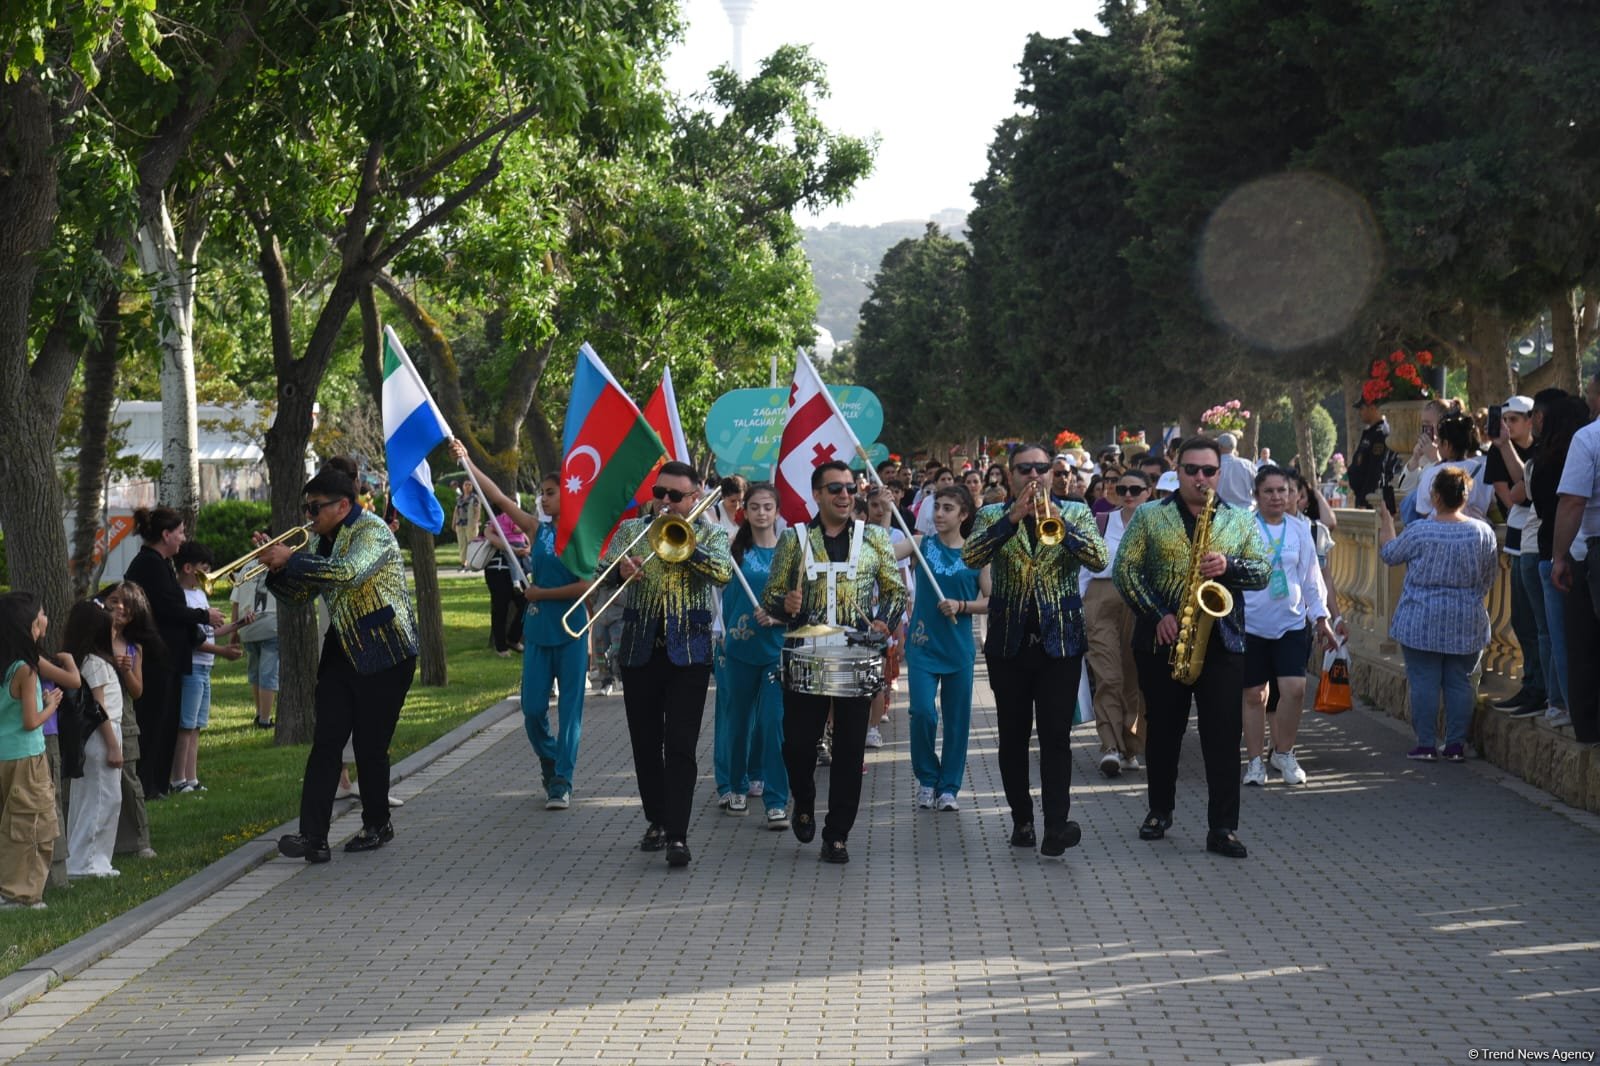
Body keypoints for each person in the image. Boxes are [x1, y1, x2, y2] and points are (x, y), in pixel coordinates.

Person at [1113, 436, 1270, 859]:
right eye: (1191, 470)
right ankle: (1158, 811)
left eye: (1209, 471)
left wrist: (1229, 566)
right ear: (1175, 471)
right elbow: (1126, 570)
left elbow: (1263, 571)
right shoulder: (1148, 515)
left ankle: (1223, 827)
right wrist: (1157, 614)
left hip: (1222, 639)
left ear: (1220, 474)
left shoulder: (1238, 520)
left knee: (1222, 736)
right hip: (1162, 638)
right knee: (1163, 732)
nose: (1201, 478)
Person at [264, 468, 419, 863]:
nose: (309, 515)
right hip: (342, 647)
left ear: (343, 505)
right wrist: (278, 570)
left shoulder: (373, 531)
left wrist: (293, 559)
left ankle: (377, 823)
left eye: (315, 507)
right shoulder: (320, 539)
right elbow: (299, 597)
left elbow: (347, 573)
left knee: (370, 746)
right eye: (307, 507)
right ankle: (312, 836)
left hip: (386, 649)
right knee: (326, 743)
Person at [963, 444, 1108, 857]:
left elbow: (1099, 560)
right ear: (1009, 475)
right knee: (1012, 737)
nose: (1033, 475)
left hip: (1059, 643)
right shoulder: (993, 515)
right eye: (1024, 468)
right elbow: (970, 555)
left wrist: (1061, 523)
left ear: (1053, 472)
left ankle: (1056, 825)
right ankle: (1022, 818)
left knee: (1056, 737)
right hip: (1008, 643)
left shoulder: (1076, 511)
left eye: (1041, 468)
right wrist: (1011, 519)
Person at [762, 461, 905, 865]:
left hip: (857, 654)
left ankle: (837, 833)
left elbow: (894, 592)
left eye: (849, 488)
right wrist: (784, 604)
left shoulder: (874, 538)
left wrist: (884, 621)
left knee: (849, 749)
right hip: (806, 655)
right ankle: (804, 800)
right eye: (835, 488)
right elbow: (771, 596)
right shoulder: (795, 540)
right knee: (799, 745)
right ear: (818, 495)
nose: (845, 495)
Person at [603, 461, 732, 869]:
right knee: (645, 744)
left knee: (680, 746)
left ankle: (677, 833)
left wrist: (688, 544)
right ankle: (656, 819)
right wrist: (618, 570)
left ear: (694, 498)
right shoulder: (631, 530)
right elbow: (600, 572)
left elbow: (723, 574)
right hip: (639, 649)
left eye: (675, 496)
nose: (665, 501)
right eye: (660, 492)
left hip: (689, 653)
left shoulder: (709, 532)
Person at [451, 444, 592, 810]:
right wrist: (467, 462)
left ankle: (562, 780)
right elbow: (495, 495)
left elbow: (586, 586)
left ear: (569, 494)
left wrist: (541, 593)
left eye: (550, 493)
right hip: (539, 630)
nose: (542, 500)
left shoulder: (582, 536)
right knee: (532, 709)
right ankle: (550, 759)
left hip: (572, 629)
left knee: (570, 711)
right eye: (541, 494)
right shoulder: (536, 529)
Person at [1378, 467, 1499, 760]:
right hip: (1466, 618)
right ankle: (1456, 744)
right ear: (1464, 496)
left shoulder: (1420, 531)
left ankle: (1426, 744)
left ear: (1435, 496)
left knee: (1424, 682)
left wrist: (1386, 520)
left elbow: (1389, 554)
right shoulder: (1483, 532)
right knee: (1460, 681)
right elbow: (1488, 576)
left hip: (1421, 619)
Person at [1240, 467, 1337, 787]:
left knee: (1294, 689)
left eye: (1282, 490)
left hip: (1292, 622)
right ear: (1257, 495)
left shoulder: (1299, 531)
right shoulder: (1243, 529)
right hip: (1251, 624)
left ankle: (1284, 751)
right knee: (1254, 694)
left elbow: (1312, 580)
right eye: (1268, 491)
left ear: (1293, 494)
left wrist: (1322, 619)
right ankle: (1254, 761)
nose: (1276, 497)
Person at [122, 506, 226, 801]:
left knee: (166, 721)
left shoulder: (160, 563)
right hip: (156, 657)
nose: (183, 538)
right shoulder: (149, 564)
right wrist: (202, 616)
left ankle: (158, 783)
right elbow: (165, 608)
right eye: (179, 532)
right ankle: (148, 783)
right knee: (155, 721)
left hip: (168, 656)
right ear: (165, 534)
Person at [898, 484, 988, 811]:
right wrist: (879, 514)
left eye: (948, 508)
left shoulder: (978, 554)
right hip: (922, 646)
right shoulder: (922, 545)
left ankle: (949, 786)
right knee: (922, 712)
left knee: (956, 720)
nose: (939, 514)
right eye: (937, 507)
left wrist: (962, 605)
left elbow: (991, 601)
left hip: (959, 650)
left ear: (964, 514)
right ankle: (926, 778)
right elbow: (884, 554)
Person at [713, 483, 790, 828]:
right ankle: (736, 786)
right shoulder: (733, 551)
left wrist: (777, 617)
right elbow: (717, 591)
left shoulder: (791, 554)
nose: (761, 513)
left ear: (777, 512)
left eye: (768, 507)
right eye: (755, 507)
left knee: (773, 724)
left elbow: (801, 604)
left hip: (777, 650)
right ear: (745, 510)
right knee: (738, 723)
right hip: (739, 649)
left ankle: (776, 801)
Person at [1081, 470, 1152, 777]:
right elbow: (1084, 569)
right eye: (1121, 488)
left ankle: (1131, 746)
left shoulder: (1156, 526)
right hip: (1101, 596)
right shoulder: (1101, 522)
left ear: (1148, 492)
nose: (1127, 494)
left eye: (1135, 489)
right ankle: (1110, 746)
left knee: (1134, 676)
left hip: (1139, 600)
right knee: (1107, 674)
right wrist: (1079, 606)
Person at [0, 593, 65, 908]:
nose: (45, 618)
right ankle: (19, 893)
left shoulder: (6, 665)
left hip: (4, 755)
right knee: (31, 822)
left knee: (8, 821)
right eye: (41, 613)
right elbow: (30, 721)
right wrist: (50, 705)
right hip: (26, 757)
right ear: (27, 623)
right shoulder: (26, 669)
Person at [1528, 395, 1589, 729]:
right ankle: (1571, 706)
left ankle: (1568, 707)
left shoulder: (1545, 460)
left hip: (1553, 554)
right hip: (1568, 554)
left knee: (1557, 639)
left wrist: (1558, 556)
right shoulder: (1575, 455)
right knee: (1569, 641)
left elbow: (1557, 505)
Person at [1484, 396, 1546, 717]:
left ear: (1532, 419)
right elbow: (1511, 498)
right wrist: (1504, 447)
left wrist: (1508, 451)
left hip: (1537, 541)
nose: (1507, 425)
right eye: (1503, 419)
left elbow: (1527, 490)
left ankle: (1541, 690)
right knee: (1521, 620)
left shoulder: (1543, 449)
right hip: (1517, 540)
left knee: (1537, 623)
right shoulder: (1499, 451)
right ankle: (1532, 685)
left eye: (1514, 419)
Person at [172, 542, 248, 794]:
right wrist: (224, 652)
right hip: (192, 666)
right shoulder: (181, 597)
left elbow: (212, 631)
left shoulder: (200, 595)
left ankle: (191, 778)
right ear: (187, 568)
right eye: (203, 571)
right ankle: (177, 779)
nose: (207, 576)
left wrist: (238, 624)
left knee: (197, 726)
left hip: (205, 668)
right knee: (186, 725)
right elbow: (194, 640)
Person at [1551, 375, 1600, 744]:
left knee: (1585, 646)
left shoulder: (1588, 438)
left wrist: (1558, 556)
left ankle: (1591, 731)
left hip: (1591, 554)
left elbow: (1572, 501)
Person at [62, 600, 123, 878]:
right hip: (103, 735)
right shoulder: (94, 663)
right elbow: (98, 709)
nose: (114, 633)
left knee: (98, 796)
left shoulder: (87, 661)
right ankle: (86, 863)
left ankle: (94, 859)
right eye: (109, 629)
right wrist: (112, 745)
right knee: (102, 798)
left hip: (104, 733)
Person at [99, 582, 158, 859]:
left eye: (127, 605)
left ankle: (138, 841)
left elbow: (138, 691)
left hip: (125, 720)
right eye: (114, 601)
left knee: (128, 781)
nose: (120, 608)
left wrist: (126, 671)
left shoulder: (134, 647)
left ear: (134, 614)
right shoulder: (94, 641)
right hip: (97, 720)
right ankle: (103, 841)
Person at [230, 571, 278, 729]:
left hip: (247, 627)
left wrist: (233, 631)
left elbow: (235, 603)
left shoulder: (245, 568)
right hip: (271, 625)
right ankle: (265, 720)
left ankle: (259, 713)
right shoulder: (279, 563)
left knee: (256, 672)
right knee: (268, 674)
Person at [483, 513, 531, 657]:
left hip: (517, 571)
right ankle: (501, 646)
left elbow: (527, 537)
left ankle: (513, 638)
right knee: (500, 607)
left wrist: (526, 549)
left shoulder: (518, 521)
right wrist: (513, 550)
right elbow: (493, 539)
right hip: (497, 570)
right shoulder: (492, 524)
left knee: (527, 603)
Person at [1347, 397, 1400, 509]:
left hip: (1371, 500)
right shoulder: (1370, 433)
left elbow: (1376, 470)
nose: (1360, 412)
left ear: (1373, 408)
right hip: (1362, 495)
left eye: (1362, 408)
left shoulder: (1381, 433)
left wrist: (1366, 499)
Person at [1213, 433, 1257, 511]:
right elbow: (1258, 488)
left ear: (1219, 447)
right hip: (1246, 511)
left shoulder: (1213, 466)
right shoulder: (1247, 464)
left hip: (1221, 512)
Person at [452, 480, 482, 570]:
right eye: (466, 485)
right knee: (462, 544)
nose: (467, 486)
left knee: (471, 544)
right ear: (463, 486)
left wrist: (475, 522)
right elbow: (456, 510)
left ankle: (472, 563)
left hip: (470, 524)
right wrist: (453, 522)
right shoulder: (459, 498)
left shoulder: (475, 498)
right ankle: (463, 563)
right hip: (460, 524)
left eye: (469, 485)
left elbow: (477, 511)